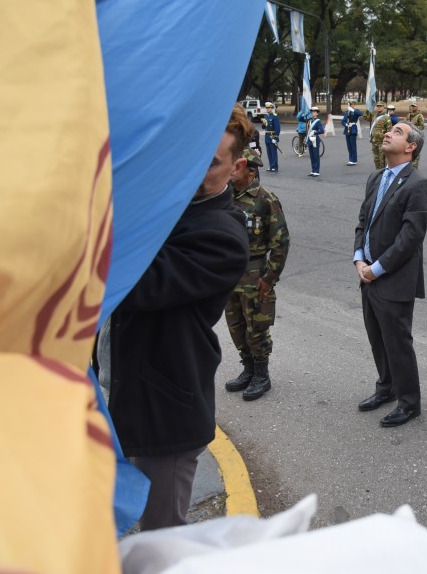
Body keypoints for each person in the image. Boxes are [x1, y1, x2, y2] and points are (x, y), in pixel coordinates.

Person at [107, 111, 250, 530]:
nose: (194, 168)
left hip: (165, 412)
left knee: (163, 539)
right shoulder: (174, 208)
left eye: (210, 162)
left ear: (236, 167)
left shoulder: (221, 234)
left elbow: (136, 286)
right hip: (129, 396)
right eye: (190, 154)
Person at [353, 122, 427, 427]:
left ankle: (409, 403)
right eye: (390, 130)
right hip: (368, 275)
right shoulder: (376, 177)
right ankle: (386, 388)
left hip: (393, 278)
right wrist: (359, 258)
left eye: (397, 132)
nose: (388, 133)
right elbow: (363, 221)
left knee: (398, 343)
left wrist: (375, 269)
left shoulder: (418, 185)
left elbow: (410, 239)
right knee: (377, 338)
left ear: (411, 147)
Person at [224, 141, 290, 400]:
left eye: (237, 165)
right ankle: (248, 369)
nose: (232, 169)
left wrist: (269, 279)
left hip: (255, 277)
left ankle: (262, 375)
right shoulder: (225, 196)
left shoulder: (265, 200)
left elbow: (280, 243)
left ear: (251, 170)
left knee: (257, 329)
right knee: (236, 327)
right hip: (230, 277)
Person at [364, 103, 393, 171]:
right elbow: (365, 117)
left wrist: (386, 140)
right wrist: (368, 108)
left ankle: (382, 172)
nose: (379, 107)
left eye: (380, 106)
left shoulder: (386, 117)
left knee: (382, 159)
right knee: (376, 158)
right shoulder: (374, 115)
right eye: (377, 106)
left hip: (382, 142)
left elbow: (389, 131)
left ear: (384, 107)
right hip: (374, 141)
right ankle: (378, 171)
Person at [261, 101, 281, 173]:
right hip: (267, 136)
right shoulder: (266, 116)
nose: (267, 109)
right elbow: (264, 127)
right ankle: (271, 165)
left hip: (272, 136)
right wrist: (263, 123)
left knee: (273, 152)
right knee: (269, 152)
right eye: (267, 108)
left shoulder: (275, 116)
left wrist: (275, 138)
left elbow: (277, 128)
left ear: (272, 108)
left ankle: (274, 166)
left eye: (269, 108)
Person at [342, 99, 362, 166]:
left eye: (353, 104)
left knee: (353, 145)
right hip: (347, 129)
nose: (352, 105)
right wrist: (346, 124)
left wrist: (353, 110)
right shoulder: (346, 112)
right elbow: (343, 121)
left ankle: (354, 160)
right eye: (351, 104)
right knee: (349, 146)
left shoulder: (356, 111)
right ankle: (350, 159)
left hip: (353, 129)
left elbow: (360, 114)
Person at [306, 106, 325, 177]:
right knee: (312, 156)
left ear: (317, 113)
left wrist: (315, 132)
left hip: (315, 139)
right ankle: (313, 170)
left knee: (316, 155)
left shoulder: (318, 121)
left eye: (314, 112)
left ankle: (317, 171)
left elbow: (322, 130)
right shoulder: (310, 121)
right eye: (312, 112)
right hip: (310, 139)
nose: (312, 113)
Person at [406, 102, 426, 168]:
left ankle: (414, 167)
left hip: (416, 136)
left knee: (415, 150)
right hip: (409, 135)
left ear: (417, 107)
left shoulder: (419, 116)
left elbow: (422, 126)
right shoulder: (409, 115)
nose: (413, 107)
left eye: (414, 106)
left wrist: (414, 129)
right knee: (408, 149)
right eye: (412, 106)